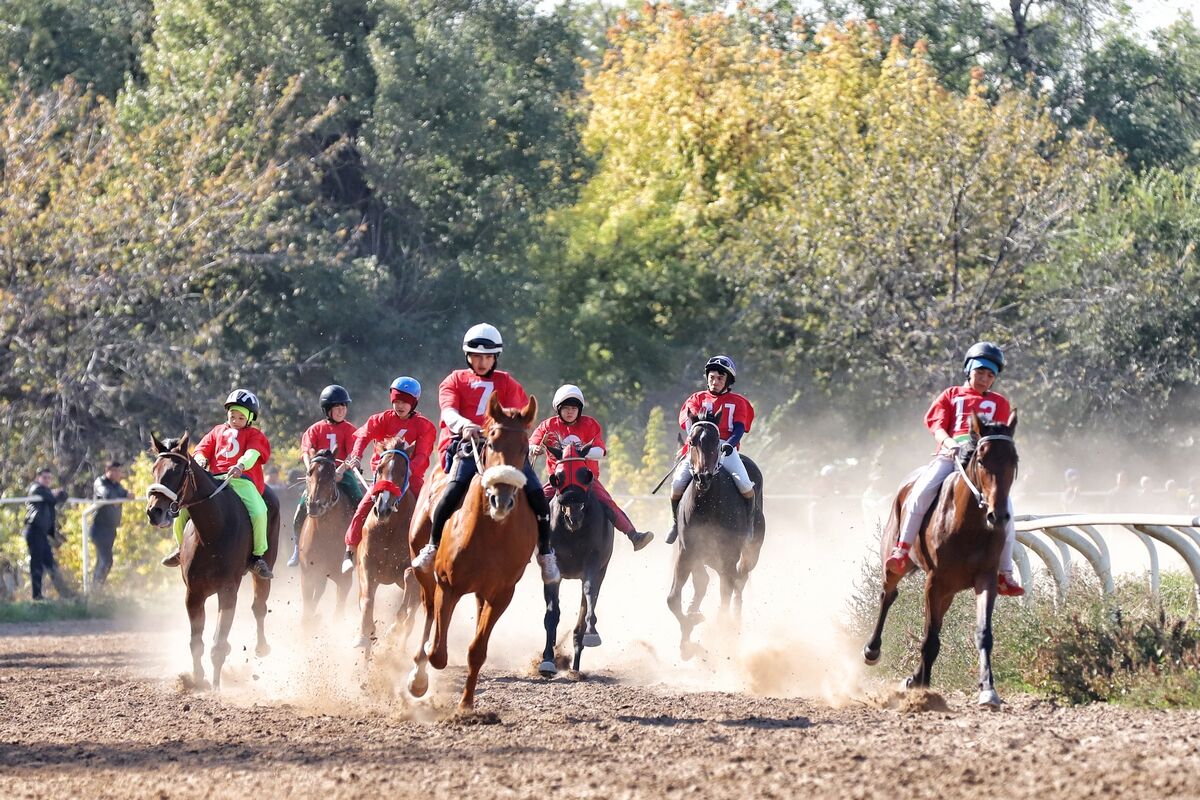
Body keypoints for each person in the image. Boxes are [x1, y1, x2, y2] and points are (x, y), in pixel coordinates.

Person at [411, 323, 559, 582]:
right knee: (455, 487)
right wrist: (464, 425)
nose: (482, 362)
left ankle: (546, 554)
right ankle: (433, 544)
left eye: (487, 357)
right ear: (468, 357)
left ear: (495, 358)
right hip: (467, 445)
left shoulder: (507, 382)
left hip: (502, 448)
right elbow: (448, 411)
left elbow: (521, 417)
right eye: (477, 356)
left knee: (535, 492)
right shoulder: (454, 380)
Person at [885, 342, 1024, 596]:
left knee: (1008, 513)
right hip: (951, 456)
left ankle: (1005, 574)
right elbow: (936, 425)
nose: (984, 379)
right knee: (920, 494)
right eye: (980, 372)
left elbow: (1000, 438)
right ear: (969, 371)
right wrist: (948, 443)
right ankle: (902, 550)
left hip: (980, 463)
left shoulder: (1000, 403)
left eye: (990, 375)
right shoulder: (951, 395)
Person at [161, 389, 274, 579]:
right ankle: (181, 549)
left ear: (249, 419)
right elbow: (201, 449)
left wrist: (241, 465)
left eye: (240, 417)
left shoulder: (254, 435)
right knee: (182, 511)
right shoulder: (217, 431)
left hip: (240, 480)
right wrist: (201, 459)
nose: (235, 420)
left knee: (259, 511)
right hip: (213, 479)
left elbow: (253, 453)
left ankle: (257, 557)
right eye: (232, 416)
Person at [529, 384, 654, 550]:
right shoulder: (547, 426)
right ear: (558, 409)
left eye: (574, 408)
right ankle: (526, 544)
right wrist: (534, 448)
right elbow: (532, 442)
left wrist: (579, 453)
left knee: (606, 502)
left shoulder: (589, 424)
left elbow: (601, 451)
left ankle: (634, 536)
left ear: (579, 409)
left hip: (585, 479)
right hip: (559, 481)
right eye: (566, 408)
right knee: (534, 503)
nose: (570, 412)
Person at [341, 377, 437, 572]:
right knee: (364, 506)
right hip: (384, 477)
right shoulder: (380, 419)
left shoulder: (425, 426)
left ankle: (434, 552)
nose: (400, 405)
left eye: (405, 401)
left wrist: (405, 472)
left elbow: (423, 454)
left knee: (428, 511)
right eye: (397, 401)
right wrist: (356, 456)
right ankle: (350, 550)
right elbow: (363, 436)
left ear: (414, 403)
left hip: (411, 477)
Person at [665, 355, 757, 545]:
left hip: (724, 448)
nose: (714, 382)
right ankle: (676, 523)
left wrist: (730, 443)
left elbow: (740, 427)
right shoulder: (697, 398)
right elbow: (688, 422)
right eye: (712, 377)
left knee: (746, 486)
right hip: (699, 446)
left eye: (720, 378)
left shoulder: (738, 402)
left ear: (727, 381)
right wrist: (695, 441)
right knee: (676, 486)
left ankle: (748, 526)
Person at [289, 384, 365, 567]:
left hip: (343, 473)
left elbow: (352, 453)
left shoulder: (349, 429)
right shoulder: (315, 429)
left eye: (344, 406)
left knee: (360, 502)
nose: (341, 410)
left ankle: (360, 546)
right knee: (301, 508)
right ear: (327, 409)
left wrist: (340, 471)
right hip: (319, 475)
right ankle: (296, 548)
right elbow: (306, 451)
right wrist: (309, 469)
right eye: (337, 407)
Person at [22, 468, 74, 600]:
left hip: (41, 533)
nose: (47, 480)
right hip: (34, 531)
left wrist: (56, 493)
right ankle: (37, 596)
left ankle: (66, 594)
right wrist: (55, 493)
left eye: (49, 478)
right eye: (45, 478)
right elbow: (53, 499)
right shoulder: (36, 489)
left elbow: (62, 496)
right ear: (38, 478)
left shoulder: (45, 491)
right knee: (37, 563)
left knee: (50, 563)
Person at [89, 460, 129, 587]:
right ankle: (96, 588)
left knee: (103, 561)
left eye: (119, 471)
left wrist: (128, 494)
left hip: (111, 529)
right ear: (108, 471)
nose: (118, 474)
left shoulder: (117, 485)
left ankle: (96, 589)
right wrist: (114, 499)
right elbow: (106, 494)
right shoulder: (100, 482)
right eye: (116, 471)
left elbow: (124, 493)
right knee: (106, 560)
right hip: (99, 529)